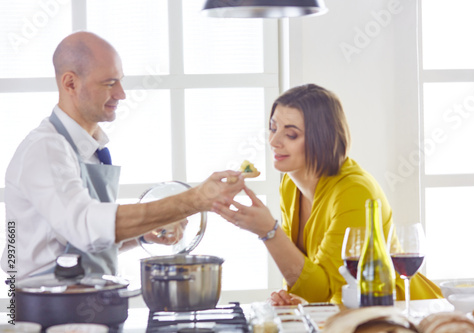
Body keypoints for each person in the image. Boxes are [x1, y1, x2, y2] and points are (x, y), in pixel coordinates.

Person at [1, 31, 245, 280]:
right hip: (49, 310)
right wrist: (195, 199)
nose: (122, 94)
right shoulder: (46, 149)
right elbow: (86, 227)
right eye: (109, 83)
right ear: (70, 83)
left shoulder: (90, 149)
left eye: (120, 81)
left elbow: (83, 243)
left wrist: (143, 234)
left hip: (87, 303)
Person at [213, 84, 442, 305]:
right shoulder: (290, 184)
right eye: (273, 128)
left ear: (321, 139)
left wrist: (269, 232)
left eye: (291, 135)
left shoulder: (354, 192)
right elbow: (305, 278)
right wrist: (289, 297)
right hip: (341, 317)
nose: (273, 141)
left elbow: (322, 292)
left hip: (395, 316)